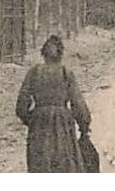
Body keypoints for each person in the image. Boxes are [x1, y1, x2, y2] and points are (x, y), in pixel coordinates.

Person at [15, 34, 92, 172]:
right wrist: (84, 127)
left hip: (39, 124)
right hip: (62, 123)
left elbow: (21, 104)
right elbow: (78, 103)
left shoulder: (34, 72)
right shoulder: (66, 73)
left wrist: (31, 119)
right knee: (65, 163)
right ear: (61, 55)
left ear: (43, 54)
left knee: (39, 164)